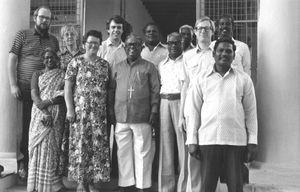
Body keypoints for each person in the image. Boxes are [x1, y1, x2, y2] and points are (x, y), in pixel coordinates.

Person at [185, 36, 258, 192]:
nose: (224, 54)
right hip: (208, 140)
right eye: (220, 50)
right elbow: (194, 111)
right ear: (213, 54)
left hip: (236, 142)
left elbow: (251, 112)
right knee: (207, 187)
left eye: (228, 51)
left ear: (233, 55)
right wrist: (192, 140)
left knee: (236, 186)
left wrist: (252, 141)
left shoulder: (244, 79)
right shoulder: (200, 79)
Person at [7, 5, 59, 181]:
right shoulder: (23, 35)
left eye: (48, 18)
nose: (44, 20)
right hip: (25, 89)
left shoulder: (53, 40)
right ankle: (24, 164)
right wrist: (13, 85)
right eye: (42, 17)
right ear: (35, 17)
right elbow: (12, 59)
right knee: (27, 126)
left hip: (47, 92)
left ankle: (41, 169)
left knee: (43, 128)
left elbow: (55, 65)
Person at [109, 34, 160, 192]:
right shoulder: (117, 67)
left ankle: (142, 186)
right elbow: (111, 90)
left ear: (141, 47)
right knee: (123, 152)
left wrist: (154, 110)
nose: (132, 48)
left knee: (142, 151)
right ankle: (125, 184)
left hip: (142, 116)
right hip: (121, 116)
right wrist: (110, 109)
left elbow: (155, 90)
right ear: (125, 48)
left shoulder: (149, 67)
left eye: (136, 45)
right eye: (129, 45)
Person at [64, 30, 111, 192]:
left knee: (96, 147)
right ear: (84, 44)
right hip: (79, 114)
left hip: (98, 115)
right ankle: (81, 182)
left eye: (96, 43)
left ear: (100, 45)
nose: (93, 45)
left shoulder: (104, 65)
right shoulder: (75, 62)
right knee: (80, 146)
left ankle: (93, 182)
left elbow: (108, 89)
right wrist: (70, 109)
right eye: (90, 42)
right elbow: (68, 88)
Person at [179, 16, 215, 192]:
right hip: (191, 110)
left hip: (211, 108)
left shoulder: (217, 54)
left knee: (209, 151)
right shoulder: (187, 56)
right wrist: (180, 116)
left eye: (207, 28)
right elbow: (185, 85)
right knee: (192, 151)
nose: (203, 31)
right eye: (200, 28)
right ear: (194, 32)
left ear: (212, 32)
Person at [27, 48, 66, 192]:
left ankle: (53, 185)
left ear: (57, 59)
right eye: (47, 58)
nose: (49, 60)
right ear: (43, 60)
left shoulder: (62, 74)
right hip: (39, 113)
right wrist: (45, 112)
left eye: (52, 57)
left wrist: (49, 102)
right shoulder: (37, 74)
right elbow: (34, 95)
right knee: (38, 145)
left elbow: (64, 95)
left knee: (52, 146)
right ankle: (36, 184)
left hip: (57, 112)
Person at [158, 32, 187, 192]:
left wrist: (183, 112)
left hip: (180, 101)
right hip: (164, 102)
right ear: (166, 45)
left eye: (176, 43)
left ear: (181, 43)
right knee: (166, 145)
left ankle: (183, 186)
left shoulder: (187, 62)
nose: (173, 46)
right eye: (170, 43)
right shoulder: (162, 64)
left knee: (182, 145)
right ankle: (166, 187)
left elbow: (186, 87)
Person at [58, 24, 84, 177]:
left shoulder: (84, 54)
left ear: (77, 36)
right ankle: (64, 172)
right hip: (64, 101)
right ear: (63, 38)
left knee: (79, 137)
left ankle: (79, 172)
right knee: (64, 136)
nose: (69, 37)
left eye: (72, 34)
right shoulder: (60, 56)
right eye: (66, 35)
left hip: (81, 101)